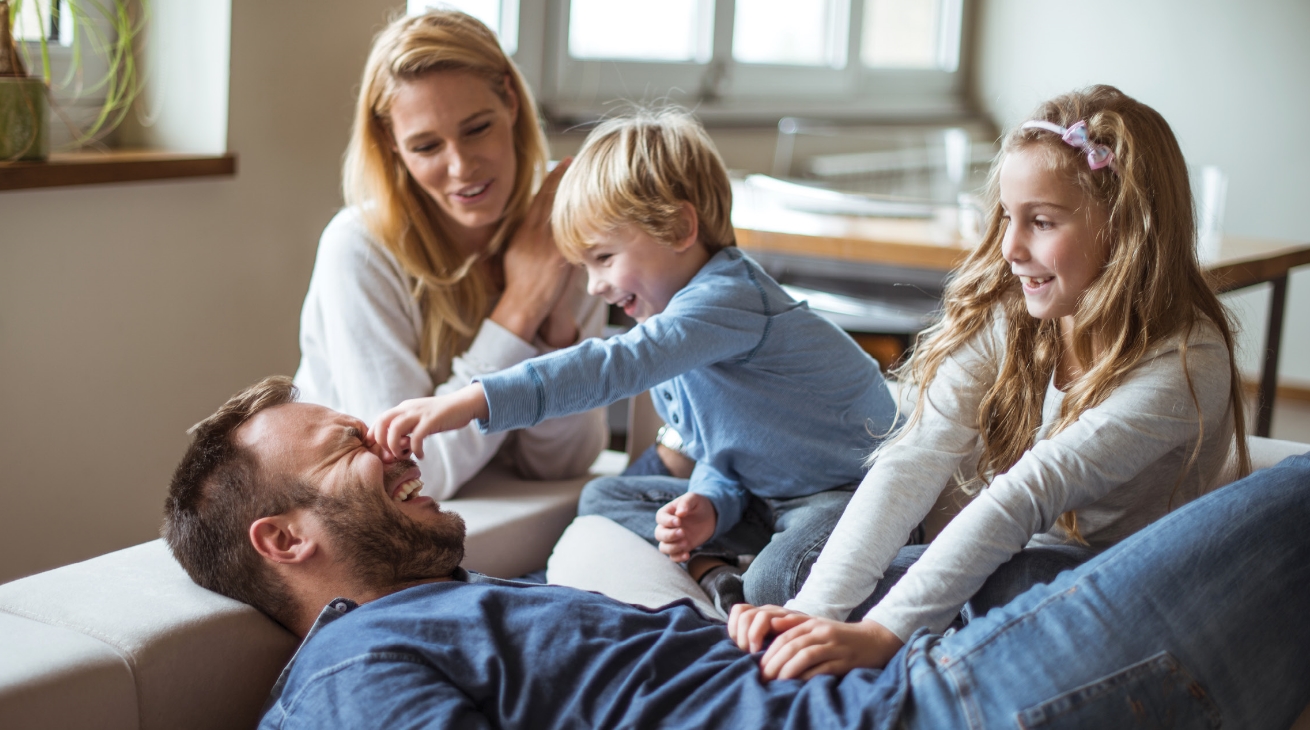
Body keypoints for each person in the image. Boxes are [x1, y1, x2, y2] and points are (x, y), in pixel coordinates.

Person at [162, 377, 1310, 729]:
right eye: (349, 448)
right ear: (285, 538)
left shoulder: (457, 608)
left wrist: (733, 640)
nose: (393, 443)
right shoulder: (349, 676)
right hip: (939, 709)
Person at [731, 85, 1253, 679]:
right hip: (1014, 544)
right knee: (782, 579)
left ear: (1128, 228)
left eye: (1042, 222)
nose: (1009, 248)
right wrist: (811, 612)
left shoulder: (1186, 362)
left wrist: (880, 633)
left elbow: (1026, 493)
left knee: (1003, 581)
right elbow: (917, 454)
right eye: (1008, 216)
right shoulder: (1022, 315)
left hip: (1101, 579)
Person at [368, 108, 902, 611]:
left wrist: (471, 400)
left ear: (677, 229)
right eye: (585, 266)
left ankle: (922, 571)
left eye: (603, 258)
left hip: (846, 494)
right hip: (769, 498)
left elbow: (610, 365)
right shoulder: (674, 329)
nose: (596, 286)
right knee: (605, 497)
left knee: (775, 582)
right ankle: (715, 571)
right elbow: (730, 449)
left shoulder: (725, 298)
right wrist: (710, 504)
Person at [291, 10, 607, 503]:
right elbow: (413, 477)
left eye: (477, 128)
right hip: (352, 517)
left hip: (498, 515)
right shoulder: (358, 248)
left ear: (509, 99)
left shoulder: (556, 226)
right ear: (392, 145)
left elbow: (561, 463)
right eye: (426, 146)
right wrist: (520, 310)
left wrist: (556, 328)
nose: (461, 167)